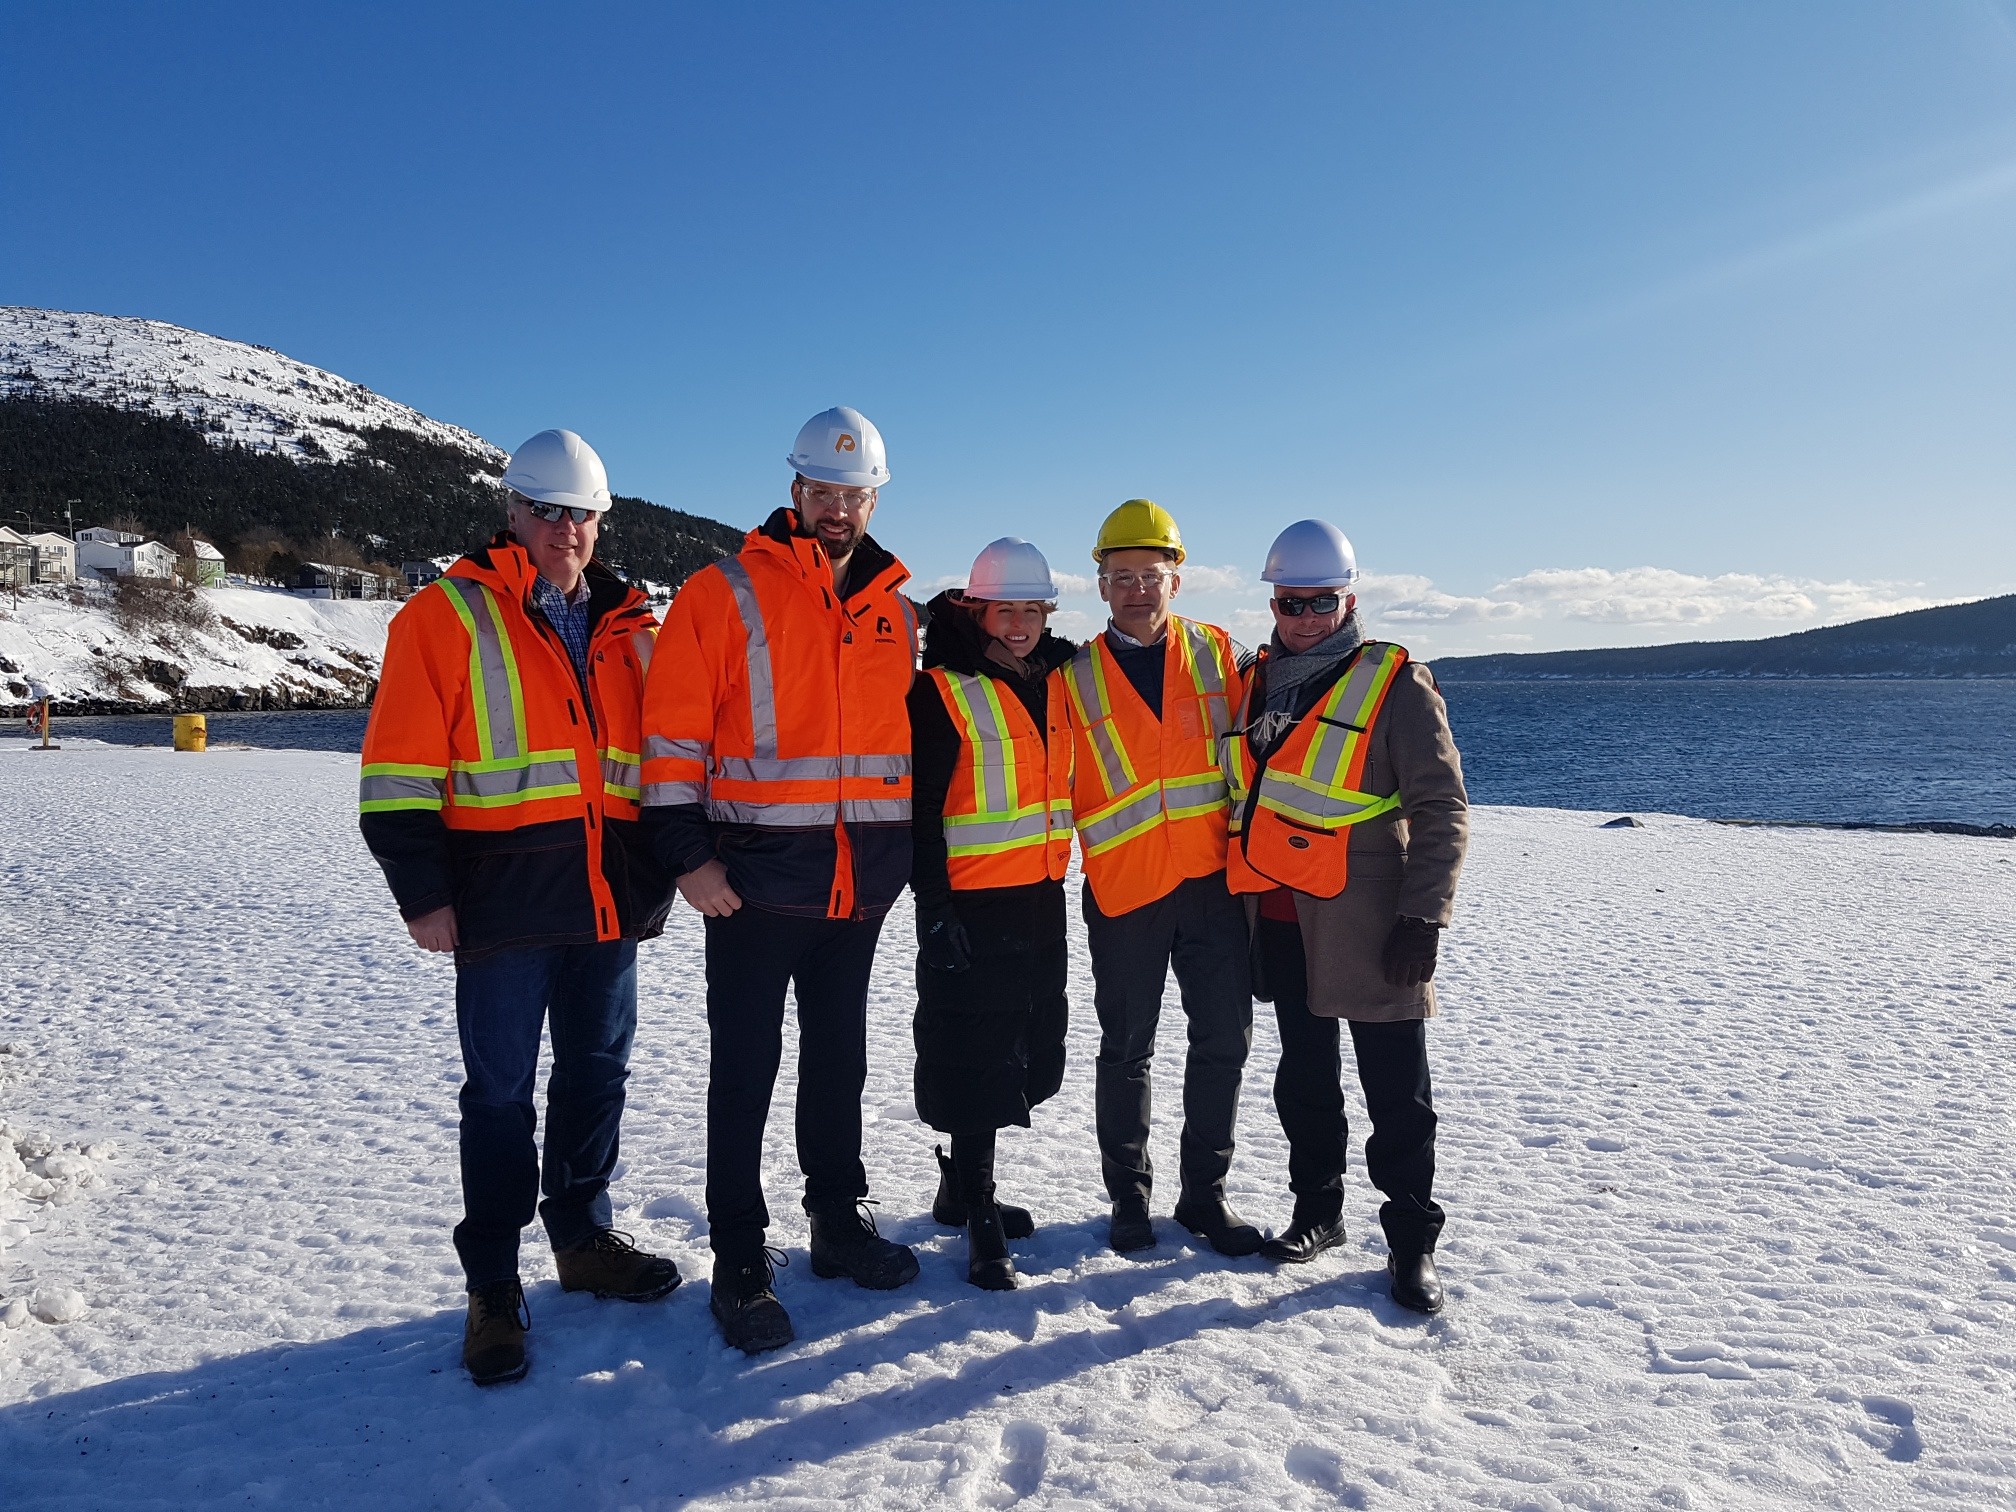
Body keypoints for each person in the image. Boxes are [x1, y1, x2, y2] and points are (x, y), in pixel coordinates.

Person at [359, 429, 681, 1387]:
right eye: (547, 511)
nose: (565, 530)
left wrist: (662, 872)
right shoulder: (444, 618)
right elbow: (396, 773)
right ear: (512, 512)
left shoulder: (632, 628)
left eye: (582, 514)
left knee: (597, 1075)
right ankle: (493, 1285)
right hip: (500, 910)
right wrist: (424, 894)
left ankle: (582, 1238)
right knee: (499, 1097)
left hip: (605, 906)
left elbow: (661, 766)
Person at [640, 405, 920, 1354]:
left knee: (839, 1063)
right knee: (745, 1072)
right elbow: (671, 737)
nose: (839, 509)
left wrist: (896, 862)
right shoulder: (721, 593)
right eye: (823, 492)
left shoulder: (893, 610)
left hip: (856, 890)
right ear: (795, 490)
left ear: (874, 501)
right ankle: (739, 1259)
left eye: (856, 495)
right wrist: (688, 859)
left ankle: (837, 1224)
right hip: (752, 887)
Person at [1219, 519, 1468, 1314]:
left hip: (1372, 925)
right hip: (1278, 915)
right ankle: (1317, 1212)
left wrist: (1423, 917)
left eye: (1320, 601)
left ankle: (1412, 1241)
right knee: (1305, 1079)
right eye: (1290, 602)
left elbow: (1442, 808)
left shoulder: (1396, 684)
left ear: (1349, 601)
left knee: (1398, 1093)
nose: (1305, 617)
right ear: (1274, 603)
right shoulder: (1254, 683)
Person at [1062, 499, 1260, 1257]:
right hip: (1125, 889)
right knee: (1126, 1050)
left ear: (1176, 578)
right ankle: (1129, 1198)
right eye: (1122, 577)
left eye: (1151, 574)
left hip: (1212, 882)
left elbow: (1267, 739)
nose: (1137, 590)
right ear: (1101, 585)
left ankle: (1204, 1195)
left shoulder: (1219, 654)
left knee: (1224, 1041)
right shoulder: (1071, 676)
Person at [908, 538, 1077, 1290]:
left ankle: (959, 1185)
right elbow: (920, 814)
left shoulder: (1057, 683)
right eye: (1004, 610)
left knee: (1023, 1049)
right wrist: (933, 909)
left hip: (1039, 896)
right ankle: (977, 1207)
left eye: (1031, 610)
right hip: (971, 905)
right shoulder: (940, 691)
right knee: (971, 1056)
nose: (1018, 624)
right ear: (976, 611)